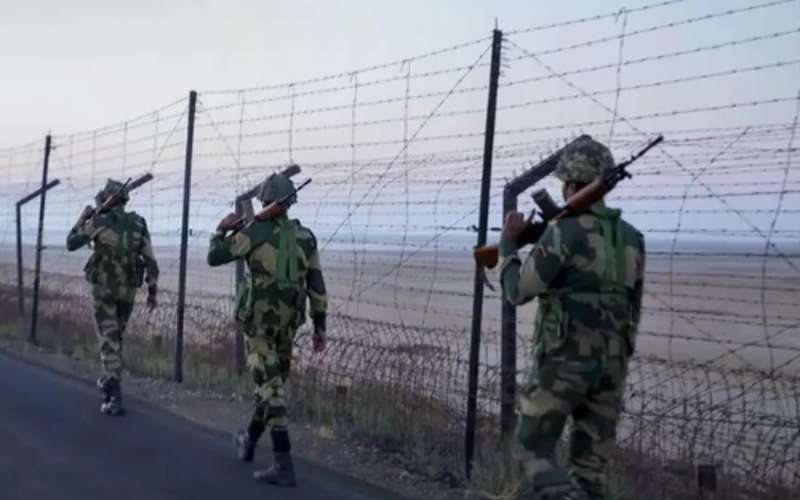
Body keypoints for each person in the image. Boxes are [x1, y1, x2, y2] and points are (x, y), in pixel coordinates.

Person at [499, 136, 645, 499]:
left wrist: (508, 246)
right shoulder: (633, 238)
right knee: (589, 473)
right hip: (611, 366)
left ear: (569, 184)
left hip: (562, 363)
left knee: (531, 451)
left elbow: (518, 291)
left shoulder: (564, 231)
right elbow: (634, 307)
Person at [207, 172, 327, 487]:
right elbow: (316, 283)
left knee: (270, 389)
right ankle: (248, 438)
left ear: (265, 200)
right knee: (271, 386)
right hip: (288, 325)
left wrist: (221, 228)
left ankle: (283, 463)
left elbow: (214, 256)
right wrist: (320, 324)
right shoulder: (306, 237)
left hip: (259, 325)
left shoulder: (255, 232)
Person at [66, 179, 159, 416]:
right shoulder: (138, 223)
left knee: (108, 339)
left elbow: (71, 242)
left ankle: (113, 392)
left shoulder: (99, 221)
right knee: (115, 338)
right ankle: (108, 383)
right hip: (128, 290)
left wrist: (83, 218)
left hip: (104, 289)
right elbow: (150, 259)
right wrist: (152, 290)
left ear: (108, 198)